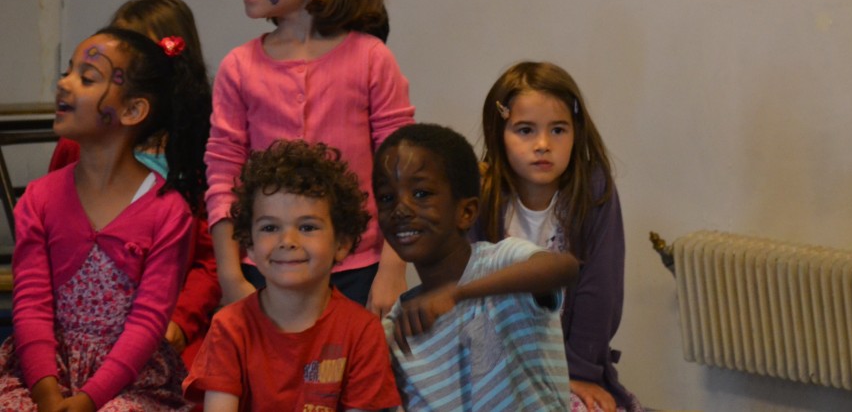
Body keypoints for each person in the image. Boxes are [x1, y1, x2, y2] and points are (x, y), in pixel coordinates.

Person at [205, 0, 414, 315]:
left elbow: (400, 170)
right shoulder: (239, 67)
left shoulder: (371, 59)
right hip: (265, 267)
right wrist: (230, 276)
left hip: (356, 269)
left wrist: (394, 269)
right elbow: (224, 174)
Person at [0, 26, 208, 411]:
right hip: (44, 373)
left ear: (132, 110)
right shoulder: (38, 199)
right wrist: (47, 395)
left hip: (129, 379)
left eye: (87, 78)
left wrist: (88, 400)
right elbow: (30, 305)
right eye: (66, 72)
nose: (63, 83)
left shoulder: (167, 210)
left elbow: (148, 322)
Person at [47, 0, 219, 369]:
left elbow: (210, 259)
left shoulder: (194, 156)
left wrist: (180, 322)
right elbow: (44, 249)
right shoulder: (74, 149)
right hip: (75, 332)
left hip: (164, 330)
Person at [373, 123, 578, 411]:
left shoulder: (501, 262)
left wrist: (459, 293)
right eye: (386, 198)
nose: (400, 209)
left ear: (466, 212)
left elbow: (563, 268)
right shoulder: (398, 326)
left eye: (421, 193)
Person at [474, 61, 643, 412]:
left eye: (558, 130)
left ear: (576, 132)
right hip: (492, 368)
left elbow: (602, 290)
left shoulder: (593, 191)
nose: (543, 144)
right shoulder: (480, 194)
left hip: (573, 368)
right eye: (525, 130)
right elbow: (464, 291)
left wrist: (577, 372)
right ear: (498, 133)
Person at [184, 140, 400, 412]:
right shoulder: (228, 327)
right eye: (270, 228)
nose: (287, 241)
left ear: (342, 243)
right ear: (249, 244)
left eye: (307, 227)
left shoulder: (363, 331)